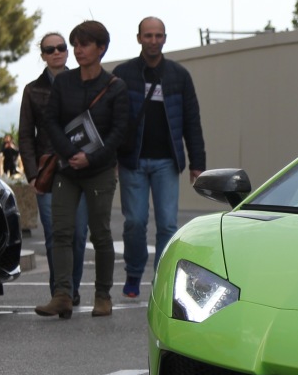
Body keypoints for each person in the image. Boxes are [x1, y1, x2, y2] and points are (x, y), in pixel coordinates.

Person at [34, 20, 129, 319]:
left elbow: (119, 131)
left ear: (101, 48)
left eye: (84, 44)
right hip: (66, 169)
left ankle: (103, 296)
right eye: (74, 44)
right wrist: (70, 153)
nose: (77, 50)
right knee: (61, 232)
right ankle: (62, 294)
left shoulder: (115, 86)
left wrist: (92, 158)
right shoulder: (64, 83)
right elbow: (50, 121)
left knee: (100, 233)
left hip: (99, 170)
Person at [113, 17, 206, 299]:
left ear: (165, 39)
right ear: (139, 38)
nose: (153, 41)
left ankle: (161, 279)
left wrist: (197, 163)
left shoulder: (179, 75)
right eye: (148, 35)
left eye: (158, 36)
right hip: (133, 161)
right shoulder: (123, 74)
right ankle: (133, 273)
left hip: (167, 161)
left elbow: (192, 120)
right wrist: (112, 158)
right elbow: (114, 119)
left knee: (167, 224)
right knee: (135, 222)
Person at [18, 32, 89, 306]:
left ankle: (72, 287)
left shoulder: (84, 84)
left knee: (79, 234)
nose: (56, 52)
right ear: (43, 55)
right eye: (50, 49)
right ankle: (61, 291)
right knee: (54, 234)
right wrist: (32, 174)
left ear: (68, 51)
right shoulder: (32, 90)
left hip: (80, 169)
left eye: (61, 47)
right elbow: (25, 135)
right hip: (47, 170)